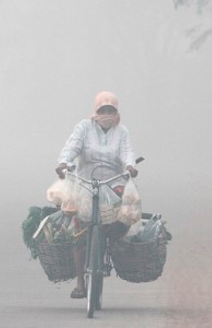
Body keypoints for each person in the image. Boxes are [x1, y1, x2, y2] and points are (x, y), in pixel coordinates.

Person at [55, 91, 139, 299]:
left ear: (116, 112)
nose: (107, 114)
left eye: (111, 110)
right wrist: (64, 163)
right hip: (85, 181)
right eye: (103, 110)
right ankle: (80, 283)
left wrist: (130, 165)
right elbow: (71, 147)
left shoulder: (122, 132)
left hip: (113, 183)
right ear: (96, 111)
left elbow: (127, 152)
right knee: (80, 231)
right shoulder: (84, 127)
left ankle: (112, 242)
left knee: (123, 218)